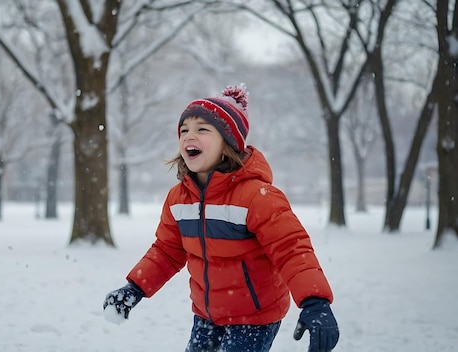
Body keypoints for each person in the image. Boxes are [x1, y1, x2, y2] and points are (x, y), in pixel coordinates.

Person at [103, 85, 339, 352]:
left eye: (202, 129)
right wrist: (134, 288)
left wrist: (315, 301)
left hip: (254, 316)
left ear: (228, 144)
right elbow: (166, 251)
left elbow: (291, 249)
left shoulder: (256, 196)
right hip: (206, 314)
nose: (189, 135)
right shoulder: (179, 199)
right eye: (184, 130)